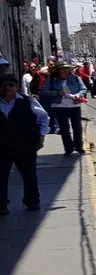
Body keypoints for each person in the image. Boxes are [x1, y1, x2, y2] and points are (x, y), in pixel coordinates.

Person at [0, 73, 49, 214]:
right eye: (4, 85)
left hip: (25, 144)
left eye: (11, 85)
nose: (7, 88)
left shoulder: (28, 101)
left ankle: (32, 201)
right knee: (1, 176)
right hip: (2, 146)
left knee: (29, 175)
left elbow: (43, 117)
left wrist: (41, 136)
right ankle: (2, 204)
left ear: (16, 87)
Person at [39, 62, 88, 156]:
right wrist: (57, 93)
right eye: (63, 69)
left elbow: (83, 89)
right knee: (64, 128)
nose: (65, 71)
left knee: (77, 127)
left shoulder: (75, 78)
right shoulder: (52, 79)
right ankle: (68, 148)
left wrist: (78, 95)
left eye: (67, 69)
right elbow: (44, 91)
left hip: (74, 105)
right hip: (59, 106)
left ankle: (79, 147)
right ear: (58, 71)